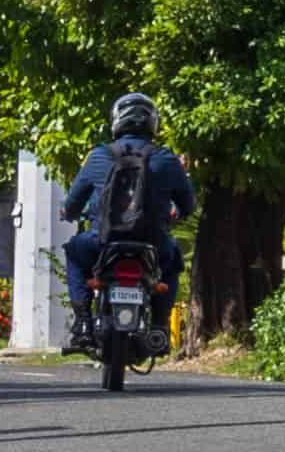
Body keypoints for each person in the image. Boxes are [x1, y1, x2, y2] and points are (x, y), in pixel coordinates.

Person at [69, 94, 196, 322]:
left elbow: (74, 201)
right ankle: (160, 324)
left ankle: (83, 321)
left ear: (116, 120)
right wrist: (178, 212)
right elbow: (188, 204)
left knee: (74, 253)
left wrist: (68, 212)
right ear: (152, 123)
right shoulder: (167, 159)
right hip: (154, 245)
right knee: (173, 261)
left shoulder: (98, 155)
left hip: (102, 242)